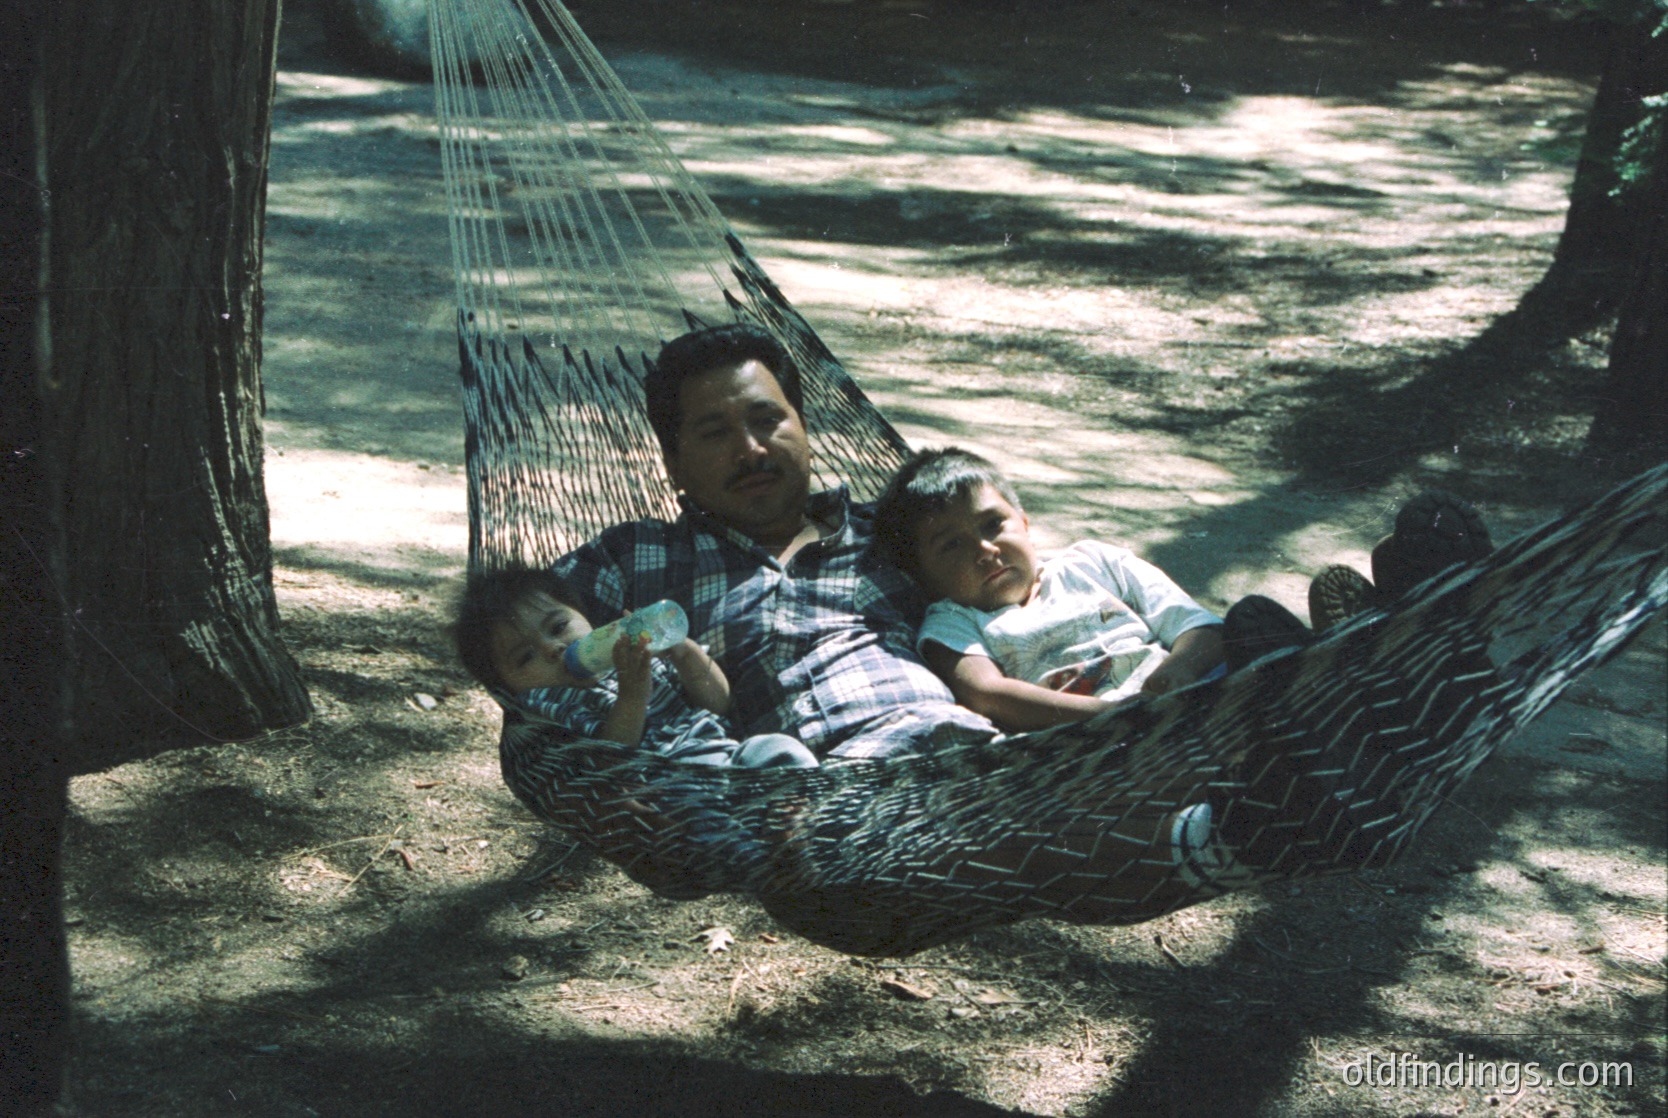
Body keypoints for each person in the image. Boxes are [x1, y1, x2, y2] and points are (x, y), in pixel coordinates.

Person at [544, 322, 998, 760]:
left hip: (964, 751)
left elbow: (1025, 602)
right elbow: (517, 645)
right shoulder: (632, 558)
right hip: (811, 795)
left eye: (766, 420)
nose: (752, 450)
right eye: (716, 433)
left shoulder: (899, 532)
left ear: (804, 429)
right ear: (674, 464)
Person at [872, 446, 1228, 733]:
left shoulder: (1094, 562)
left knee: (1255, 617)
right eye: (952, 545)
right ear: (922, 575)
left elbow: (1200, 627)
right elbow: (987, 693)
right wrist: (1107, 714)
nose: (985, 550)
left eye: (993, 524)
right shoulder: (953, 623)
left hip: (1189, 695)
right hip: (1088, 737)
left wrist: (1175, 676)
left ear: (1024, 523)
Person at [453, 566, 817, 769]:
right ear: (505, 685)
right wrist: (632, 693)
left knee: (780, 751)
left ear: (586, 617)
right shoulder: (550, 706)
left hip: (729, 756)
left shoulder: (632, 658)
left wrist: (685, 655)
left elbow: (719, 704)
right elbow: (610, 757)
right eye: (525, 657)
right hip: (666, 785)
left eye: (558, 627)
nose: (552, 648)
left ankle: (801, 824)